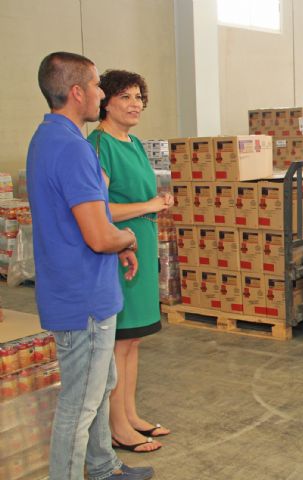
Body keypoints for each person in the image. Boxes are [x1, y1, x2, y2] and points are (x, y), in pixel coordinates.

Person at [27, 52, 154, 479]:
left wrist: (116, 245)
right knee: (79, 403)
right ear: (77, 92)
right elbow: (101, 235)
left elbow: (84, 221)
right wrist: (129, 237)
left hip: (80, 291)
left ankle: (103, 468)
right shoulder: (74, 149)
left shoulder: (48, 139)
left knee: (99, 388)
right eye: (99, 86)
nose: (102, 94)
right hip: (83, 299)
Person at [87, 70, 173, 453]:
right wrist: (150, 205)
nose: (135, 103)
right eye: (125, 96)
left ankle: (132, 415)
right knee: (119, 342)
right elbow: (98, 209)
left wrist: (156, 206)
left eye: (139, 96)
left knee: (134, 340)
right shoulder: (100, 144)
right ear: (105, 101)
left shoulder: (134, 142)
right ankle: (117, 427)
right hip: (120, 250)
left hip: (143, 242)